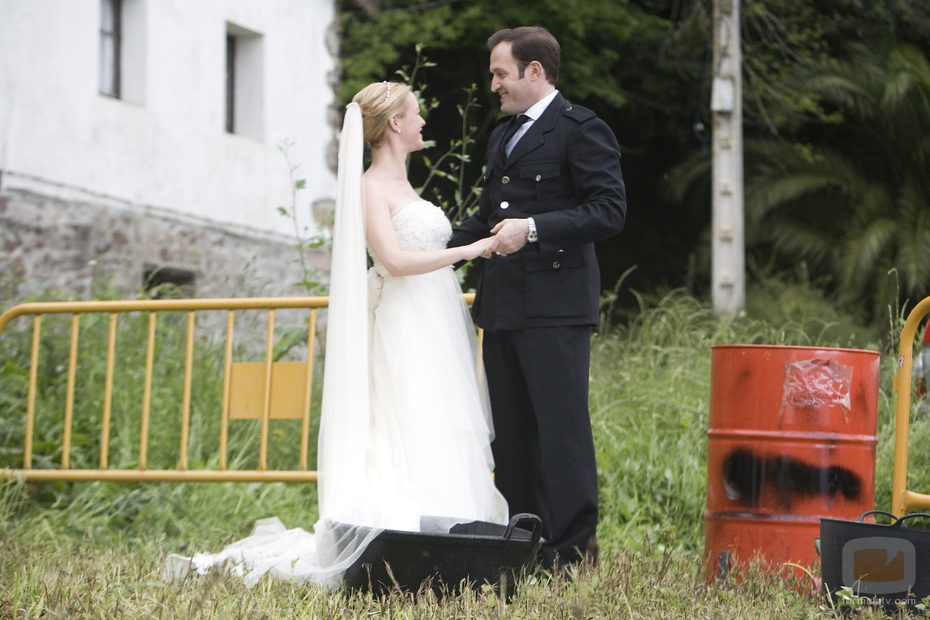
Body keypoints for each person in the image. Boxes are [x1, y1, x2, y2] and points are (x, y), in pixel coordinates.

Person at [162, 81, 507, 587]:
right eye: (416, 114)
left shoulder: (405, 187)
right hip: (403, 325)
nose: (423, 123)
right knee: (405, 420)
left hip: (431, 323)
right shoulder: (370, 187)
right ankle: (410, 543)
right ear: (394, 123)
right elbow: (392, 258)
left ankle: (446, 539)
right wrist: (468, 252)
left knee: (432, 418)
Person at [449, 26, 627, 572]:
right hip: (503, 307)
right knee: (513, 434)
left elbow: (609, 211)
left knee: (560, 431)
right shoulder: (502, 136)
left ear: (533, 71)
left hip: (556, 307)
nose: (493, 84)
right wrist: (430, 247)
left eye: (500, 73)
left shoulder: (581, 129)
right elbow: (485, 220)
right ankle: (524, 544)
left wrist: (531, 228)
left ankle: (573, 552)